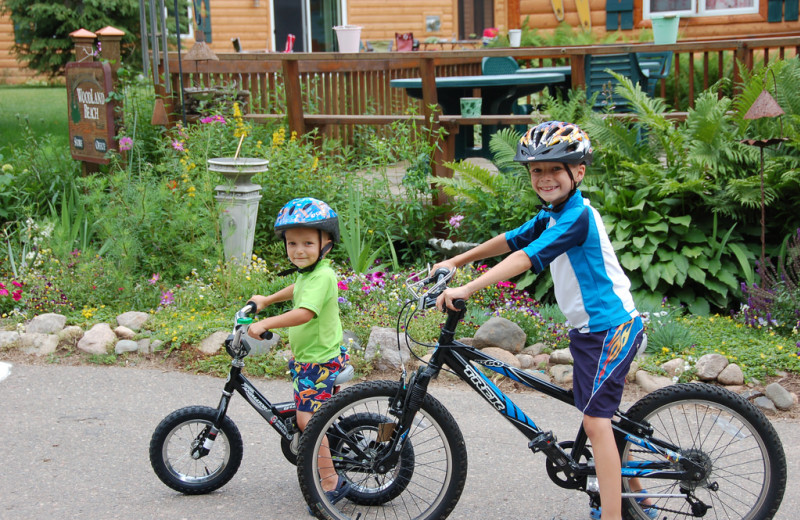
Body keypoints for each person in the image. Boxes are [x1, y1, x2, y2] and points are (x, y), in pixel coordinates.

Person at [431, 121, 654, 520]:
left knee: (596, 422)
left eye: (556, 169)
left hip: (611, 329)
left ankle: (615, 514)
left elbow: (525, 259)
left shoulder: (576, 217)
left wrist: (467, 289)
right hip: (591, 333)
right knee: (605, 419)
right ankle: (643, 504)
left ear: (578, 172)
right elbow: (511, 240)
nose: (545, 178)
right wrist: (457, 259)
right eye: (537, 170)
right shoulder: (553, 214)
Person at [247, 197, 350, 505]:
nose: (299, 250)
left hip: (319, 363)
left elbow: (304, 312)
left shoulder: (323, 275)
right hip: (311, 360)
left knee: (308, 421)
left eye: (307, 242)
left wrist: (267, 321)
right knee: (315, 415)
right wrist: (266, 298)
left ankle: (331, 482)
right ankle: (327, 459)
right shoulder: (310, 274)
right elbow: (296, 290)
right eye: (292, 244)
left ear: (327, 243)